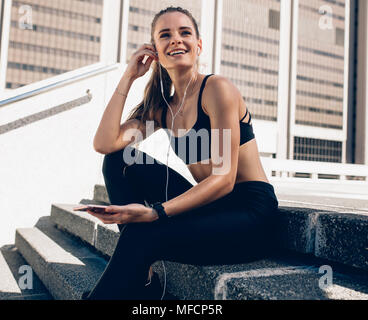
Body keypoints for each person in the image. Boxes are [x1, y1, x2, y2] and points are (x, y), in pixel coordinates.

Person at [83, 6, 279, 300]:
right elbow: (105, 143)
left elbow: (224, 180)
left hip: (249, 215)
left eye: (184, 32)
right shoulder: (163, 109)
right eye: (165, 35)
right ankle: (142, 280)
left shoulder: (217, 89)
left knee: (142, 232)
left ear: (198, 46)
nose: (176, 39)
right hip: (209, 208)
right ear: (155, 52)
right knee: (119, 160)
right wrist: (129, 77)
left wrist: (155, 213)